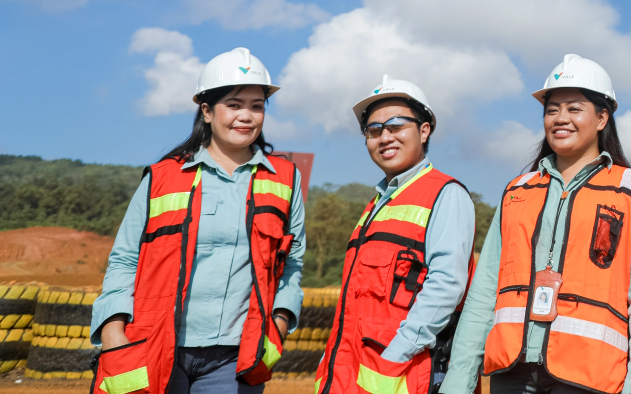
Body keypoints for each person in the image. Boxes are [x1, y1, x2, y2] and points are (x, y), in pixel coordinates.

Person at [441, 54, 631, 394]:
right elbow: (485, 291)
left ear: (603, 117)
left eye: (574, 109)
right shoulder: (518, 192)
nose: (561, 119)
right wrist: (458, 381)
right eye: (552, 110)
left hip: (588, 374)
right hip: (511, 371)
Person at [90, 47, 304, 394]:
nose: (246, 116)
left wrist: (279, 321)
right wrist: (113, 327)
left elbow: (291, 264)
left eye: (257, 105)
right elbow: (125, 258)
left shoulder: (285, 180)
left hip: (238, 356)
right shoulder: (162, 177)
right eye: (234, 105)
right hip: (156, 345)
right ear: (206, 111)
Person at [313, 75, 476, 394]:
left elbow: (445, 287)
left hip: (400, 376)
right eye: (374, 131)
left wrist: (394, 357)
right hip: (350, 373)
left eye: (397, 126)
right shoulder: (376, 205)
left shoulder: (446, 194)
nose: (384, 137)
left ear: (425, 129)